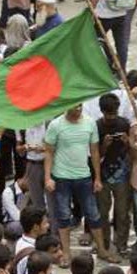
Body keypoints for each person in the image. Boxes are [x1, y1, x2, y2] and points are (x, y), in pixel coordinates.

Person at [44, 104, 118, 263]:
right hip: (61, 177)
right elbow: (48, 152)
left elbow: (95, 151)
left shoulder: (90, 123)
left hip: (84, 176)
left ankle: (102, 250)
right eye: (74, 106)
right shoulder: (55, 125)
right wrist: (47, 178)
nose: (78, 109)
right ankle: (66, 253)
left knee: (94, 215)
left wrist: (97, 178)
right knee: (63, 216)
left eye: (80, 106)